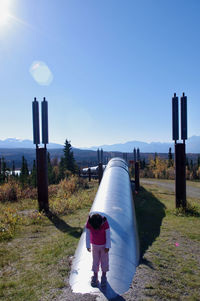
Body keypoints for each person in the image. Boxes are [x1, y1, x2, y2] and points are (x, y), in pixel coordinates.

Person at [86, 213, 111, 287]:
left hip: (104, 246)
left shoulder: (105, 223)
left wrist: (107, 246)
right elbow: (87, 234)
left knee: (104, 261)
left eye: (98, 228)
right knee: (95, 260)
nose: (96, 230)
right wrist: (88, 245)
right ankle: (95, 276)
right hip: (94, 245)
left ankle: (103, 277)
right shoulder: (90, 222)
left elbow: (108, 235)